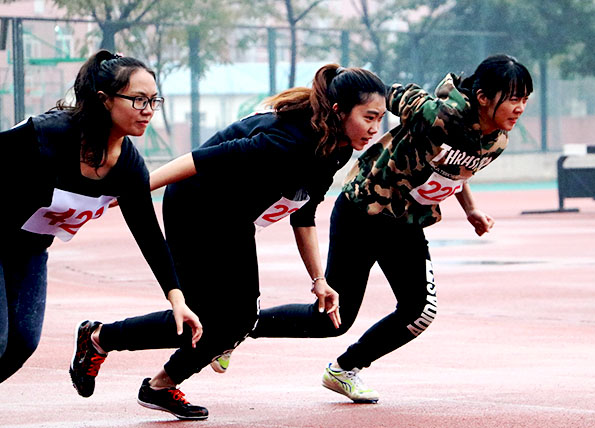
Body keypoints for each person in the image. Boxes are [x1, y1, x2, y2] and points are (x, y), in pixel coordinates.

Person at [69, 64, 387, 420]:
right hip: (194, 205)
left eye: (380, 118)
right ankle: (101, 340)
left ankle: (155, 381)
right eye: (369, 117)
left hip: (233, 218)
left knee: (237, 319)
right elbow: (198, 160)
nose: (375, 128)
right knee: (216, 318)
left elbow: (304, 213)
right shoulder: (289, 142)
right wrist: (135, 190)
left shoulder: (335, 148)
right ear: (339, 111)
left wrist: (319, 280)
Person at [249, 54, 534, 403]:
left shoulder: (497, 141)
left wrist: (470, 208)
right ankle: (240, 327)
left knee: (420, 311)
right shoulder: (434, 114)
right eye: (514, 98)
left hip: (405, 222)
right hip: (361, 211)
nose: (520, 108)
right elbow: (384, 93)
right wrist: (349, 99)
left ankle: (345, 369)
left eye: (525, 99)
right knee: (331, 321)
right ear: (483, 97)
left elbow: (454, 167)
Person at [0, 51, 202, 386]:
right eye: (138, 100)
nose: (148, 110)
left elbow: (149, 235)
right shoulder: (47, 135)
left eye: (154, 100)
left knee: (21, 344)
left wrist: (177, 299)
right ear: (104, 100)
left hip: (29, 249)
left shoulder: (128, 168)